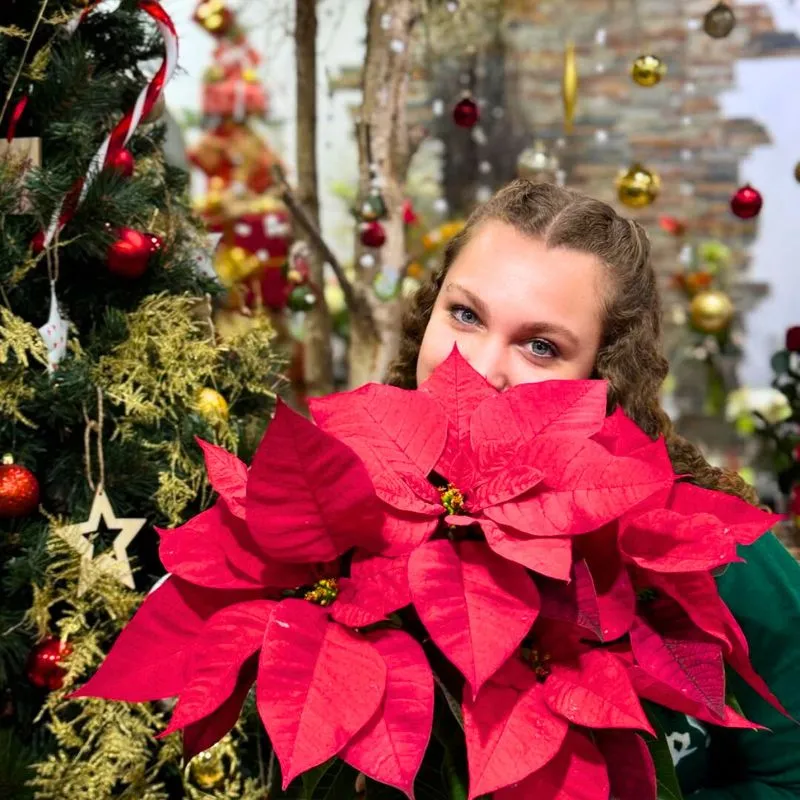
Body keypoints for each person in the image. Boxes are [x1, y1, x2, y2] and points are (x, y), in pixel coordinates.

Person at [386, 180, 800, 798]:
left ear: (603, 376)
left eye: (541, 346)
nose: (480, 367)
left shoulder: (707, 549)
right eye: (466, 314)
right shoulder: (356, 519)